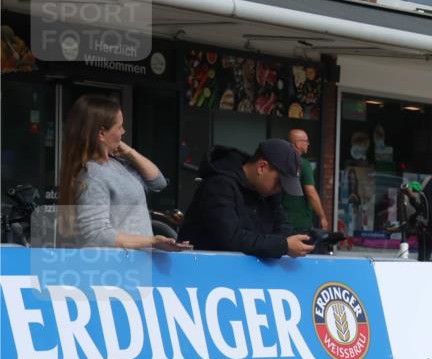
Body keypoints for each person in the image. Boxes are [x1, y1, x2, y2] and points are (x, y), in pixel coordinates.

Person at [59, 94, 190, 251]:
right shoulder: (93, 176)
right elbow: (96, 234)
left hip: (135, 264)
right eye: (119, 127)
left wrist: (129, 152)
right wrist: (151, 241)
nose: (123, 131)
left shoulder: (117, 163)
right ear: (101, 134)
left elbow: (158, 182)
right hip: (120, 268)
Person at [178, 139, 314, 258]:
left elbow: (283, 227)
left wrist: (292, 242)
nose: (280, 189)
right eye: (279, 182)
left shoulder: (268, 194)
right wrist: (283, 245)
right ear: (262, 167)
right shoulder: (219, 185)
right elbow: (230, 238)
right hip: (202, 273)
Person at [282, 129, 329, 233]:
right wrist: (322, 216)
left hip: (280, 219)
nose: (308, 143)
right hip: (299, 221)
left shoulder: (279, 162)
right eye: (306, 141)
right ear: (298, 144)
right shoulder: (304, 164)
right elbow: (311, 193)